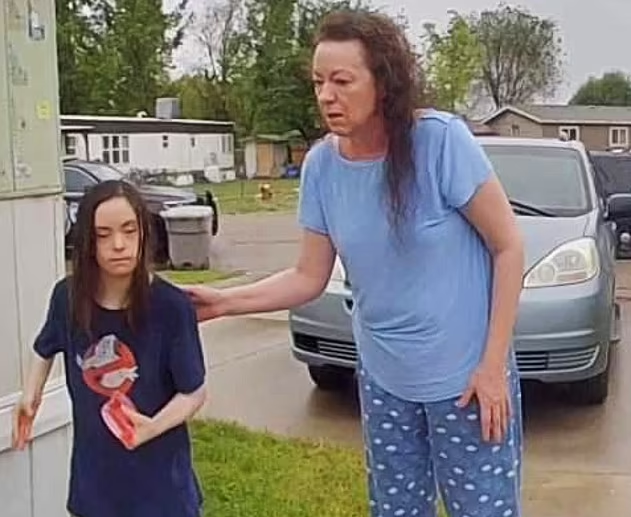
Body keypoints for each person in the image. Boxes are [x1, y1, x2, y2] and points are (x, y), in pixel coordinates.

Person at [187, 9, 525, 517]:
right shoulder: (322, 167)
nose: (326, 95)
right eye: (318, 82)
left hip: (468, 382)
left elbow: (509, 247)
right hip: (385, 380)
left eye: (342, 81)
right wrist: (224, 302)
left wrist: (493, 367)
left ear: (383, 83)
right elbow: (308, 276)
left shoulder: (440, 143)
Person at [12, 180, 207, 517]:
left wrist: (151, 427)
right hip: (94, 490)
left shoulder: (171, 307)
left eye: (129, 231)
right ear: (88, 242)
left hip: (162, 492)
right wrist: (31, 394)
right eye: (103, 235)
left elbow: (194, 392)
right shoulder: (67, 298)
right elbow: (45, 347)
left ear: (144, 233)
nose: (119, 245)